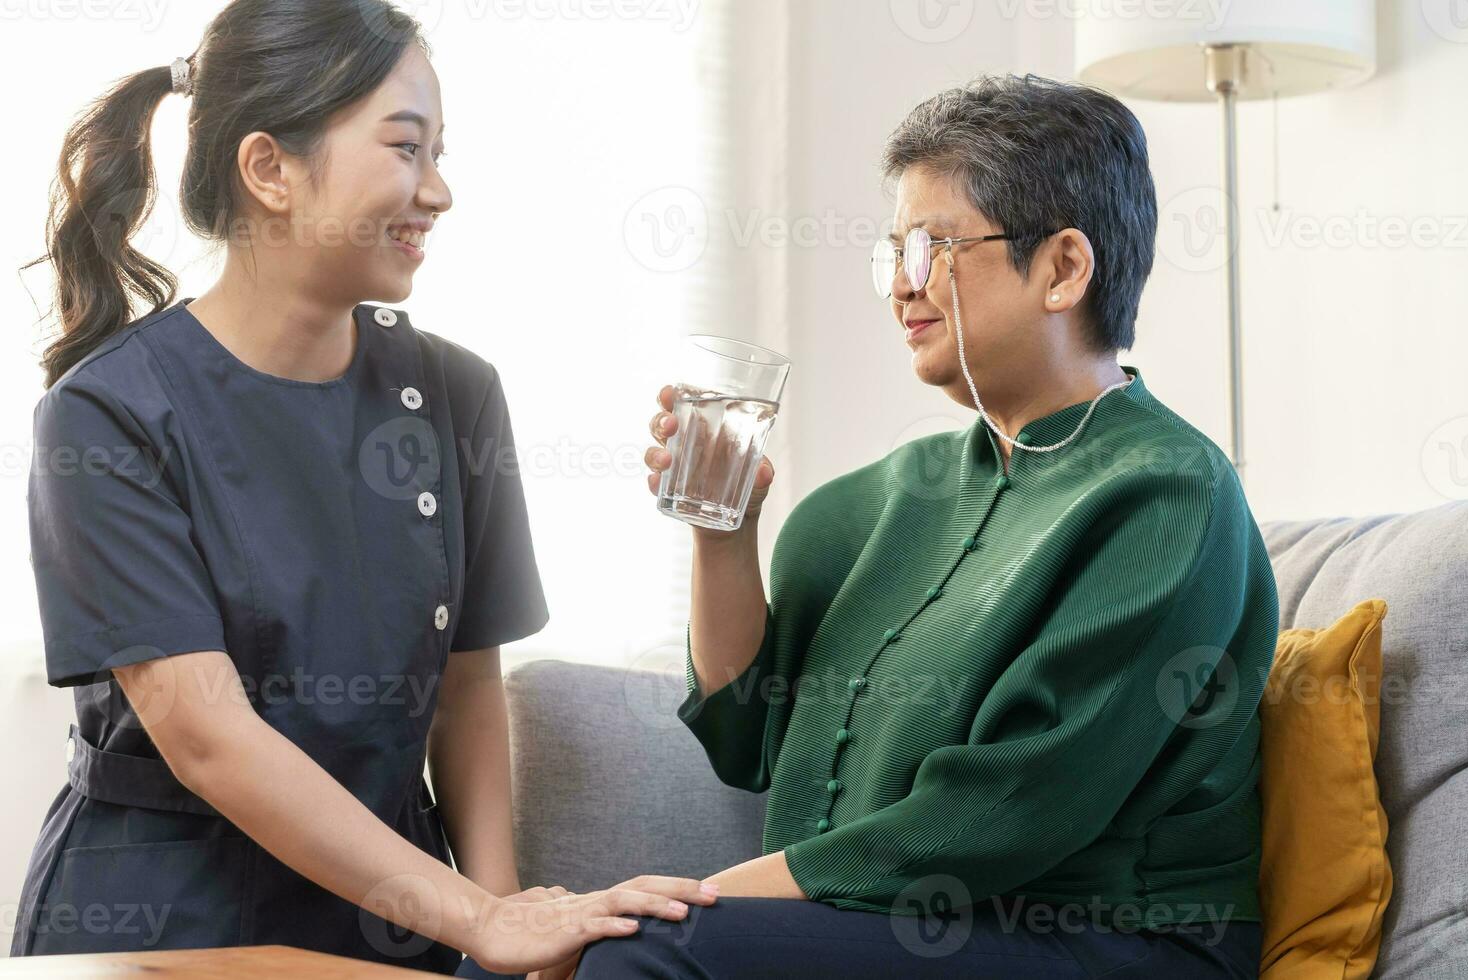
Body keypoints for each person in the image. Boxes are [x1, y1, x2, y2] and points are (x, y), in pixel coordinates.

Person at [11, 2, 715, 976]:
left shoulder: (456, 396)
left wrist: (501, 921)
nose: (440, 191)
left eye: (439, 153)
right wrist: (479, 916)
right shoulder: (108, 415)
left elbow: (469, 690)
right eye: (406, 149)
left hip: (401, 920)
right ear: (270, 170)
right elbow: (205, 732)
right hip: (162, 922)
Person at [612, 74, 1278, 977]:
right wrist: (722, 532)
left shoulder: (1167, 494)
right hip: (883, 926)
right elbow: (744, 736)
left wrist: (685, 902)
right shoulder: (870, 501)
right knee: (508, 962)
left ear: (1064, 269)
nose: (902, 286)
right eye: (893, 254)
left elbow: (1007, 812)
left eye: (931, 249)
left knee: (636, 956)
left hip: (1113, 940)